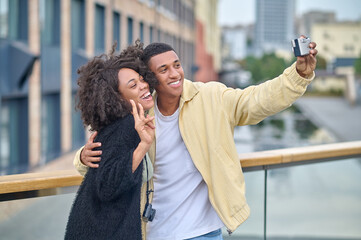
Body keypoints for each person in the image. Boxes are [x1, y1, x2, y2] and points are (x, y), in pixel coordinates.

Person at [73, 38, 318, 240]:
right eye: (163, 69)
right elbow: (109, 165)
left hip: (203, 231)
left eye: (177, 65)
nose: (174, 73)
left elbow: (258, 99)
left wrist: (298, 75)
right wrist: (83, 157)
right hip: (152, 232)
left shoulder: (211, 97)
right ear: (150, 77)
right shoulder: (137, 114)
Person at [65, 41, 158, 240]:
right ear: (117, 97)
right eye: (133, 85)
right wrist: (143, 146)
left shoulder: (122, 124)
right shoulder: (127, 126)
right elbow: (108, 187)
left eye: (142, 79)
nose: (143, 85)